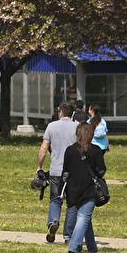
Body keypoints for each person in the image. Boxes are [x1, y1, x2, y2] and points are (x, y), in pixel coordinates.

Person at [61, 123, 107, 253]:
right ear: (91, 135)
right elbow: (102, 170)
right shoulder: (96, 150)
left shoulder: (70, 150)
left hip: (73, 190)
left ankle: (92, 246)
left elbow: (65, 172)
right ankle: (74, 247)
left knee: (85, 218)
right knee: (83, 217)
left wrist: (62, 191)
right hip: (89, 190)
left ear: (78, 134)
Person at [36, 101, 79, 244]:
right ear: (72, 113)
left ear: (60, 112)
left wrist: (39, 166)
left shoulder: (51, 126)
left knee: (55, 199)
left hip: (56, 170)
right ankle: (68, 236)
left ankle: (53, 221)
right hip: (73, 170)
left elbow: (44, 147)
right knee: (72, 203)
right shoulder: (77, 127)